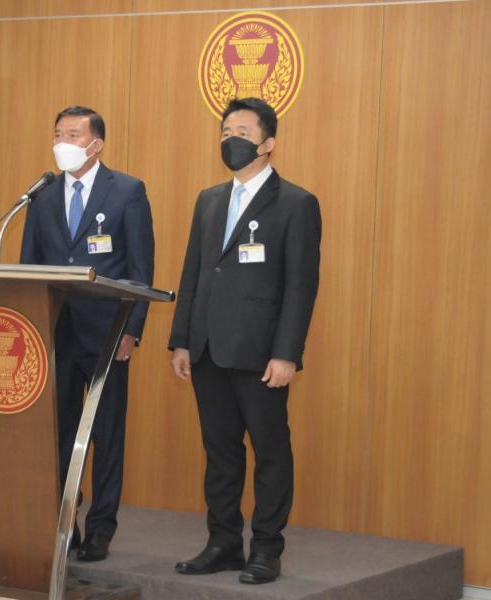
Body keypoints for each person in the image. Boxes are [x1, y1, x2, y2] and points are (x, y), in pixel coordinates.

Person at [169, 97, 321, 584]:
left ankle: (267, 548)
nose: (230, 139)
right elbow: (193, 272)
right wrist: (181, 340)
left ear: (267, 143)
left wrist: (287, 353)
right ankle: (223, 542)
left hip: (261, 353)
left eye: (242, 132)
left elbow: (300, 286)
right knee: (220, 451)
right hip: (207, 348)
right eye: (225, 131)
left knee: (270, 451)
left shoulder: (296, 203)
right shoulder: (209, 199)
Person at [20, 106, 155, 562]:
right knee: (56, 434)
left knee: (107, 435)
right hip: (55, 333)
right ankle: (62, 523)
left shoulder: (127, 191)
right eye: (58, 133)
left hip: (107, 334)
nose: (63, 142)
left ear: (96, 144)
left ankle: (101, 528)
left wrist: (132, 329)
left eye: (73, 135)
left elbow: (140, 268)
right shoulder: (42, 195)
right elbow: (29, 266)